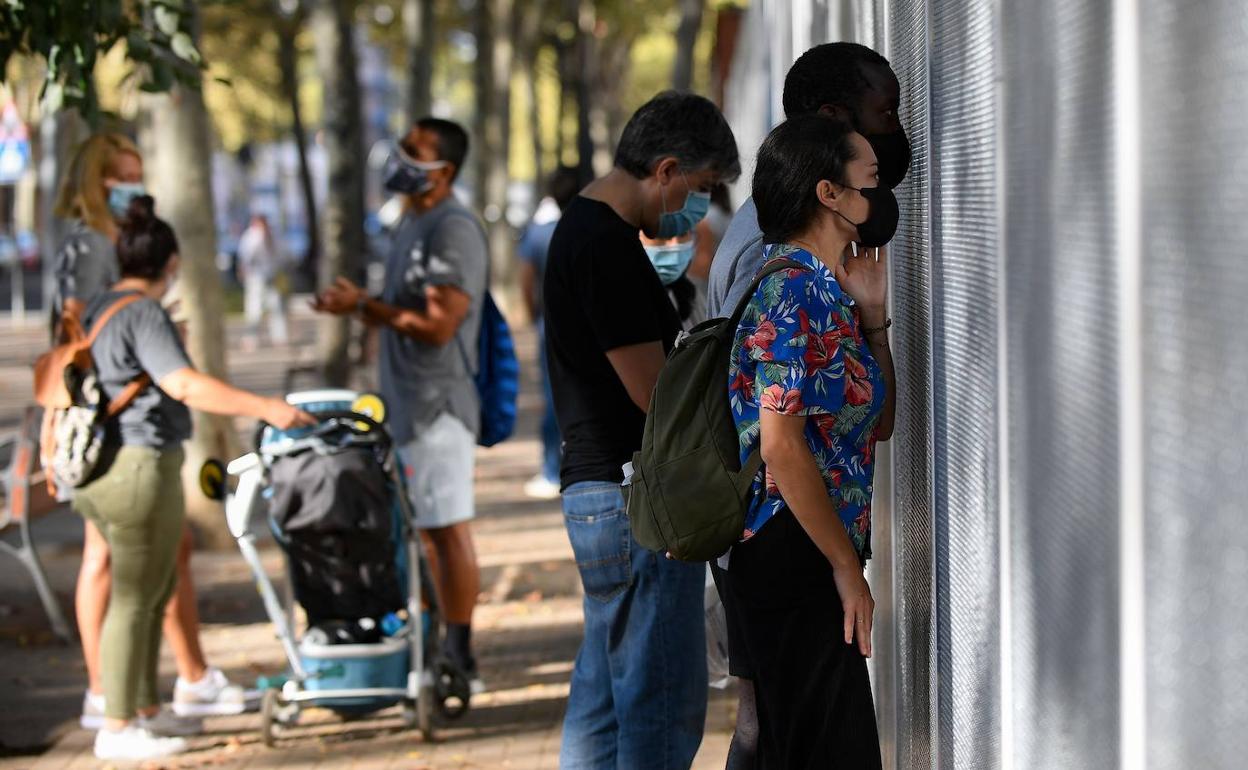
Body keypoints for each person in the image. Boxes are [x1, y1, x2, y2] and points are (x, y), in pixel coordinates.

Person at [705, 42, 911, 769]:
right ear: (829, 194)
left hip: (815, 547)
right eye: (868, 183)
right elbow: (782, 446)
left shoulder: (828, 291)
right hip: (793, 552)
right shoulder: (793, 292)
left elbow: (877, 424)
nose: (878, 199)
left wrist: (874, 320)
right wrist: (846, 569)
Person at [74, 196, 314, 761]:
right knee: (136, 597)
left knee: (150, 589)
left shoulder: (100, 306)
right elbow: (183, 384)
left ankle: (141, 710)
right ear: (172, 263)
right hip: (138, 465)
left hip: (100, 469)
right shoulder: (143, 313)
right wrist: (265, 407)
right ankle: (116, 724)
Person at [543, 91, 740, 769]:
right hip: (637, 500)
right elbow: (656, 396)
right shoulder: (607, 248)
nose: (700, 205)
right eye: (701, 186)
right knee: (659, 706)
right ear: (666, 170)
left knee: (603, 697)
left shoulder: (582, 229)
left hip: (599, 492)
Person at [51, 133, 252, 733]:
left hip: (121, 427)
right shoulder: (90, 246)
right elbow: (77, 336)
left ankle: (160, 689)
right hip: (114, 435)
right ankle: (113, 697)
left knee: (155, 559)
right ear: (95, 181)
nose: (131, 188)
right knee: (117, 569)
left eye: (136, 175)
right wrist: (143, 346)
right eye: (120, 176)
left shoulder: (107, 243)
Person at [312, 118, 487, 690]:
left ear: (446, 171)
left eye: (416, 151)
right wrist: (363, 307)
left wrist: (365, 306)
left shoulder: (452, 228)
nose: (401, 157)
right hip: (408, 405)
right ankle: (435, 643)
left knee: (446, 531)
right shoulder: (412, 222)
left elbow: (439, 325)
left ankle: (458, 655)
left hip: (437, 406)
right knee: (425, 534)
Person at [707, 42, 910, 318]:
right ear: (831, 119)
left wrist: (872, 314)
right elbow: (747, 343)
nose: (896, 128)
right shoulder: (775, 250)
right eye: (886, 113)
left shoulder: (802, 227)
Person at [518, 166, 581, 500]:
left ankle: (550, 469)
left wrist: (534, 316)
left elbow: (526, 280)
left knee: (551, 396)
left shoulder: (538, 233)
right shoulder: (586, 229)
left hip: (550, 326)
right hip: (586, 325)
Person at [237, 213, 290, 348]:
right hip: (256, 276)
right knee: (254, 308)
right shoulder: (251, 236)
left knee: (276, 306)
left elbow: (283, 254)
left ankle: (279, 337)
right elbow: (246, 256)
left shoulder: (274, 235)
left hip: (271, 274)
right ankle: (252, 338)